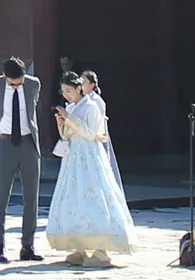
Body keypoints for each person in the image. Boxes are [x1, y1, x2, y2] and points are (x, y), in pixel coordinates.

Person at [45, 73, 137, 263]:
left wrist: (69, 118)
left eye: (69, 91)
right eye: (63, 92)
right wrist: (62, 124)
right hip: (73, 157)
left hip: (89, 155)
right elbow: (67, 135)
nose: (66, 95)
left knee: (94, 196)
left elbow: (90, 133)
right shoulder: (70, 107)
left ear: (79, 88)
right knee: (74, 198)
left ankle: (102, 249)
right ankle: (79, 247)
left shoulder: (91, 106)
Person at [0, 54, 43, 264]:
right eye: (13, 82)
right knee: (1, 196)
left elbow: (33, 107)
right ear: (5, 76)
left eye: (19, 81)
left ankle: (28, 246)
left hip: (28, 143)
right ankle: (0, 247)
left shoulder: (33, 85)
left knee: (31, 197)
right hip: (6, 142)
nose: (17, 85)